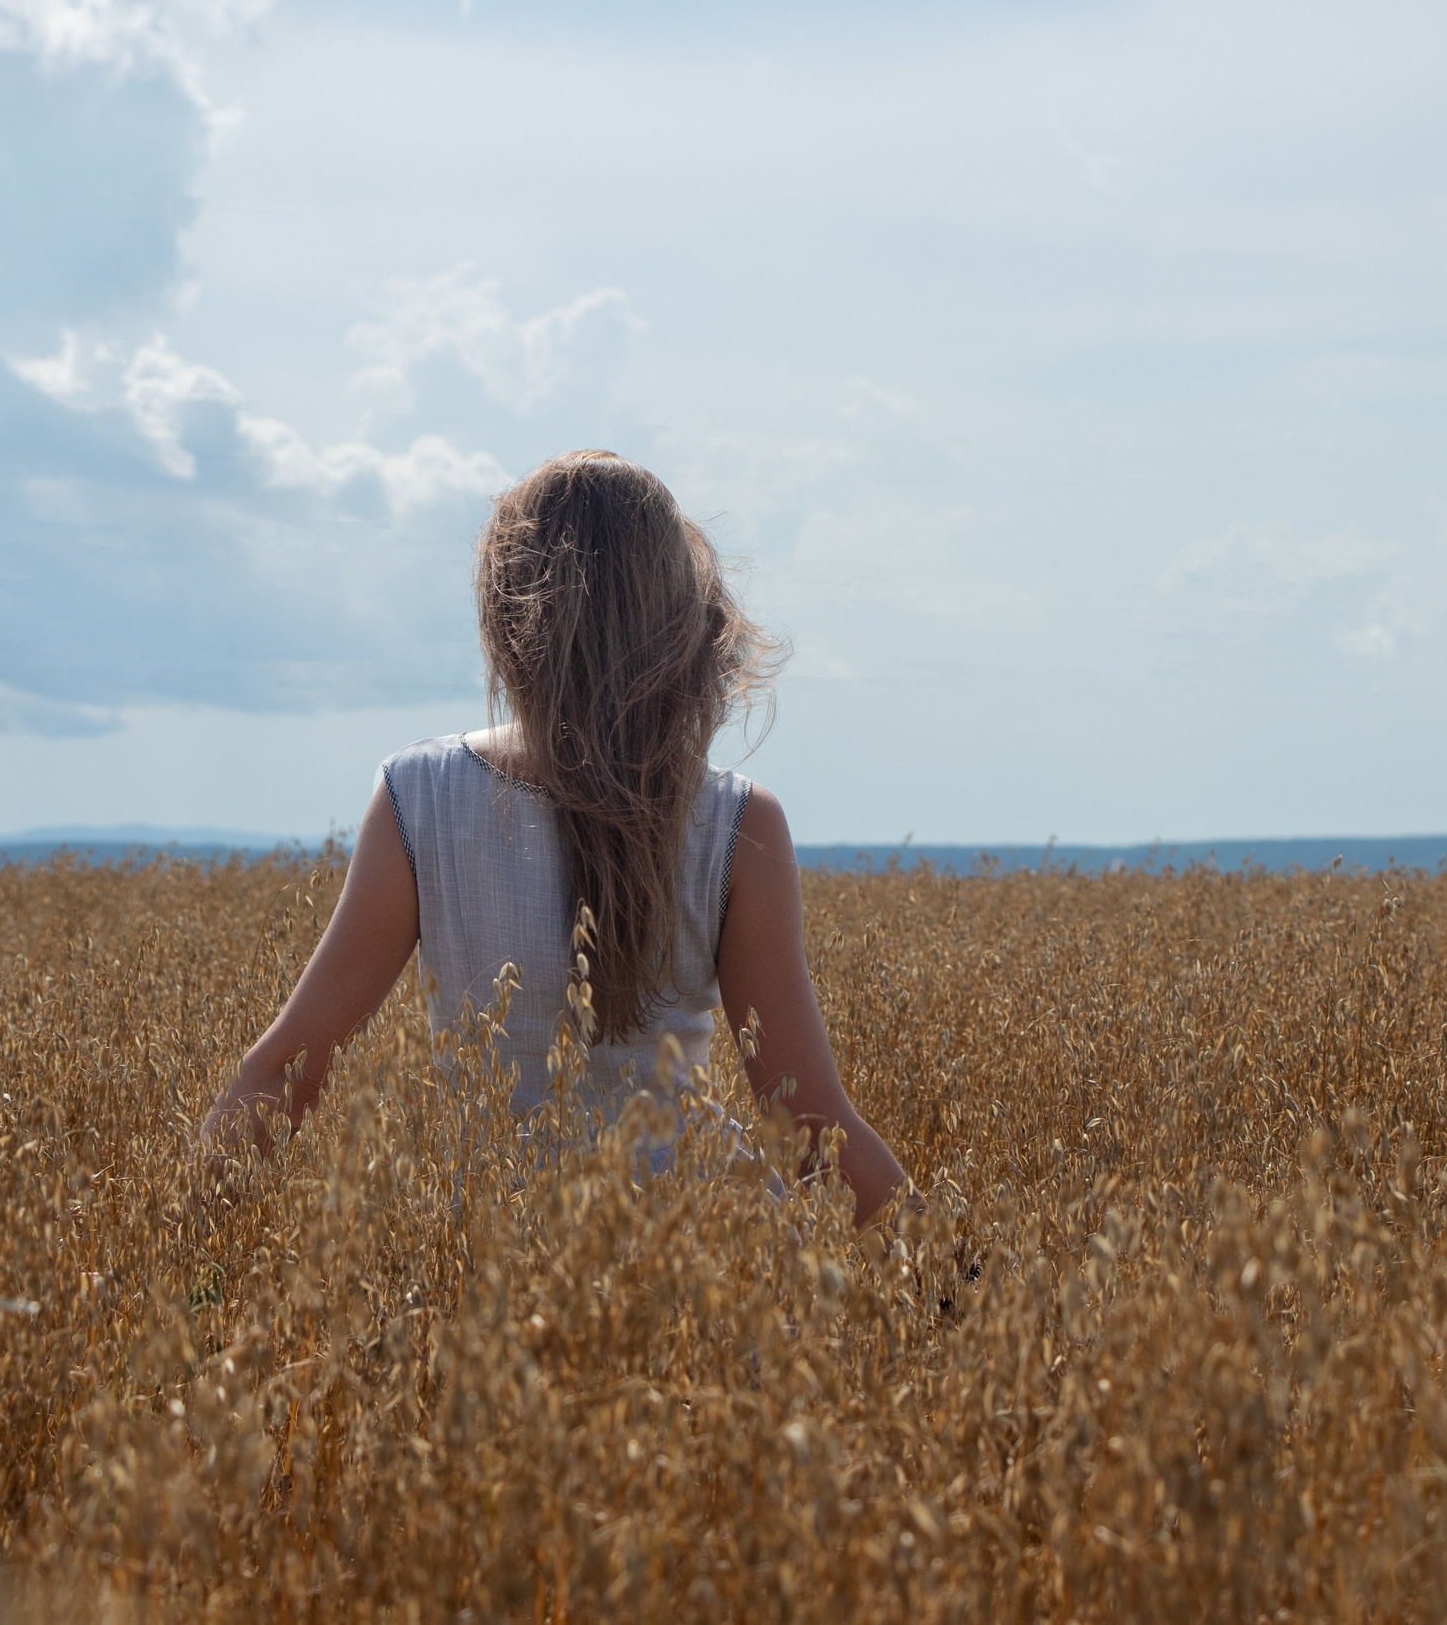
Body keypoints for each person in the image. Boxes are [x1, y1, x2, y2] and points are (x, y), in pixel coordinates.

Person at [198, 450, 912, 1227]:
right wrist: (969, 1284)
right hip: (698, 1271)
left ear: (508, 619)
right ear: (680, 623)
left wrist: (186, 1273)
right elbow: (811, 1130)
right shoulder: (740, 824)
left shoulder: (421, 795)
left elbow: (287, 1071)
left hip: (489, 1269)